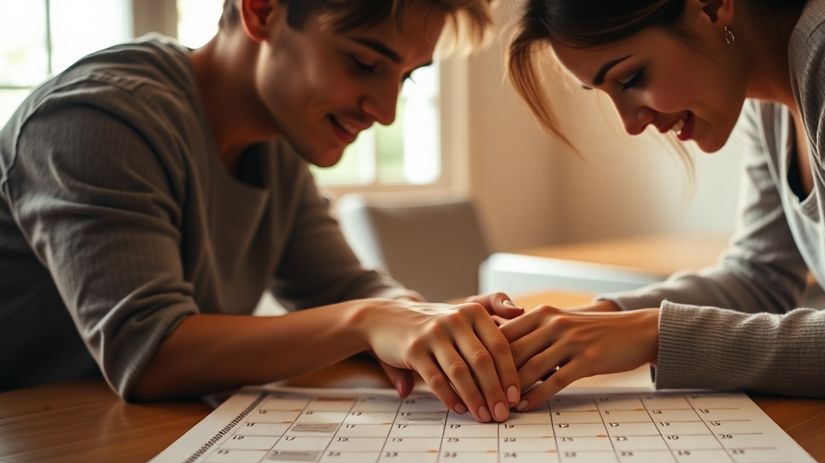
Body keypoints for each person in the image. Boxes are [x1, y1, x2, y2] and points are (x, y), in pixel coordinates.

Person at [0, 0, 522, 423]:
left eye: (405, 78)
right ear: (262, 11)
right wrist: (372, 320)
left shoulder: (273, 142)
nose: (385, 112)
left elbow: (341, 288)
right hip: (35, 449)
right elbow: (149, 352)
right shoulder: (95, 118)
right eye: (364, 63)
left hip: (126, 433)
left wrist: (431, 324)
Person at [502, 0, 825, 411]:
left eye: (631, 78)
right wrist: (585, 324)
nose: (631, 123)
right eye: (604, 92)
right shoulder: (772, 90)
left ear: (710, 6)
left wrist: (651, 335)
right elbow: (759, 277)